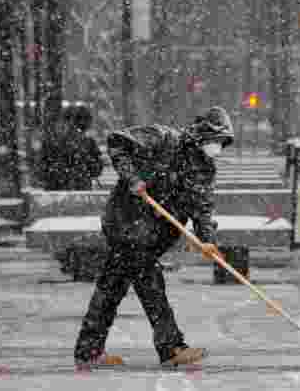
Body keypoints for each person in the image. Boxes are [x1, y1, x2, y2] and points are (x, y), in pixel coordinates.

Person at [73, 106, 234, 369]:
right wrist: (132, 178)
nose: (216, 148)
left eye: (221, 143)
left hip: (154, 235)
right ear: (201, 135)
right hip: (127, 223)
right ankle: (171, 348)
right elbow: (117, 141)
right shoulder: (164, 139)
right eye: (214, 141)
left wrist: (207, 240)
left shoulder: (204, 169)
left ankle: (88, 350)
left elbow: (202, 207)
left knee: (112, 286)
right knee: (149, 281)